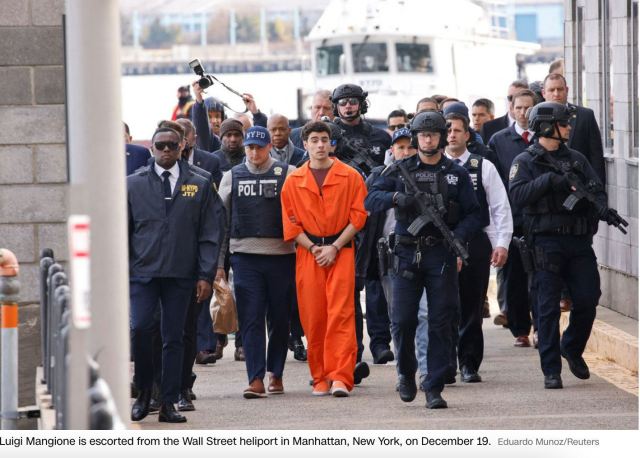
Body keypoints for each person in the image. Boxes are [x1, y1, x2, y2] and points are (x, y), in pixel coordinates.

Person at [365, 110, 481, 409]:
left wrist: (459, 238)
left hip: (441, 253)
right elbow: (369, 197)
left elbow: (475, 214)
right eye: (422, 135)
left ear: (442, 137)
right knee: (403, 320)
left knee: (441, 321)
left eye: (432, 135)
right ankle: (406, 372)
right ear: (416, 138)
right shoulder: (401, 169)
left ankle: (434, 385)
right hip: (405, 253)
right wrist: (396, 199)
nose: (427, 139)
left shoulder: (455, 173)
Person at [509, 101, 611, 389]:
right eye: (564, 123)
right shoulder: (525, 161)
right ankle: (551, 369)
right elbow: (518, 196)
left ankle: (572, 346)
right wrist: (549, 181)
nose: (568, 128)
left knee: (588, 298)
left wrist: (601, 208)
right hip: (545, 241)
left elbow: (597, 190)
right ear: (546, 126)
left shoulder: (576, 159)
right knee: (547, 308)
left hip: (578, 241)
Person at [128, 126, 223, 423]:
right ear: (152, 148)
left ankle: (168, 400)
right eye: (160, 145)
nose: (166, 150)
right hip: (143, 273)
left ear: (182, 146)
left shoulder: (200, 182)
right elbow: (121, 231)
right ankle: (145, 389)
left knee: (174, 337)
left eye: (172, 145)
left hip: (182, 275)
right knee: (141, 329)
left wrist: (206, 275)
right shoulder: (132, 185)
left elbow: (210, 233)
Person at [280, 121, 368, 397]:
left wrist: (334, 246)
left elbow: (359, 215)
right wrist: (315, 248)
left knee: (341, 315)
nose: (320, 145)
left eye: (324, 140)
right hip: (309, 255)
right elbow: (290, 223)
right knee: (313, 315)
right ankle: (319, 377)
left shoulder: (350, 176)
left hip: (341, 251)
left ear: (332, 144)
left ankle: (341, 376)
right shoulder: (293, 180)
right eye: (314, 140)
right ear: (304, 145)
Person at [215, 126, 297, 398]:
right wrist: (219, 265)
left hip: (282, 258)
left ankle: (277, 373)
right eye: (249, 147)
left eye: (259, 147)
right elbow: (222, 226)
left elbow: (301, 216)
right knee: (250, 319)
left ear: (269, 146)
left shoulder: (289, 173)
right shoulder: (231, 176)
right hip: (245, 258)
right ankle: (256, 378)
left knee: (279, 318)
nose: (253, 151)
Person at [444, 112, 513, 382]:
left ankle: (469, 363)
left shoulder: (482, 165)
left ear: (467, 135)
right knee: (443, 307)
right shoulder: (432, 165)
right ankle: (446, 362)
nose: (451, 135)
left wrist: (502, 244)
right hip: (440, 244)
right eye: (447, 130)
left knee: (472, 306)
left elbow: (499, 208)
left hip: (475, 242)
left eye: (457, 131)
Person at [488, 89, 538, 347]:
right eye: (518, 108)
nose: (523, 113)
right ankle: (520, 329)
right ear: (511, 109)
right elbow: (494, 185)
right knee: (515, 277)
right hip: (513, 219)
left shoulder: (544, 136)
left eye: (528, 108)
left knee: (542, 276)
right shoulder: (499, 140)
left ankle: (542, 326)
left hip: (541, 219)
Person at [541, 73, 606, 185]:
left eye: (560, 89)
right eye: (551, 90)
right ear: (543, 93)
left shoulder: (585, 116)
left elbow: (596, 159)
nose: (556, 94)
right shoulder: (538, 117)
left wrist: (598, 191)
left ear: (567, 90)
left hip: (580, 185)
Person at [329, 83, 392, 166]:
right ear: (336, 107)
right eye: (342, 102)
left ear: (362, 105)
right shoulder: (327, 136)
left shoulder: (382, 136)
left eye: (353, 101)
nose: (348, 106)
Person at [175, 118, 223, 190]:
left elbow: (217, 195)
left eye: (185, 148)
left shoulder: (211, 162)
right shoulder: (160, 161)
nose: (181, 152)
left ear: (194, 139)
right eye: (177, 146)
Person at [480, 80, 528, 144]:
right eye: (510, 98)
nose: (513, 102)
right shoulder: (488, 127)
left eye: (518, 98)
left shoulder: (537, 127)